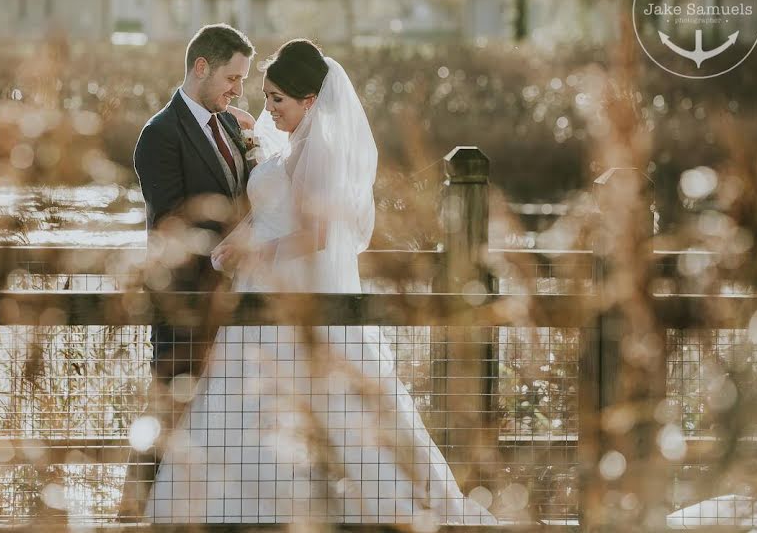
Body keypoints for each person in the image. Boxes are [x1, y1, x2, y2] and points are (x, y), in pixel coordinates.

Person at [145, 40, 497, 525]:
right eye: (266, 97)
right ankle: (238, 509)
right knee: (245, 400)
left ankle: (334, 507)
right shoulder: (290, 146)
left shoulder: (323, 152)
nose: (267, 109)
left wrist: (257, 252)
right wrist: (236, 242)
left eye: (277, 100)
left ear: (309, 101)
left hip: (291, 286)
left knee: (319, 398)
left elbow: (315, 233)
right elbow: (270, 210)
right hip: (258, 290)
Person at [120, 23, 255, 519]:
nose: (239, 89)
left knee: (217, 412)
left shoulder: (230, 127)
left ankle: (208, 510)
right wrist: (239, 246)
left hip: (232, 301)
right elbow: (172, 226)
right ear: (202, 67)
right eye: (233, 77)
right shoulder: (160, 135)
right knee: (169, 406)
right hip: (183, 302)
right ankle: (134, 513)